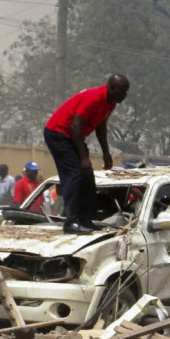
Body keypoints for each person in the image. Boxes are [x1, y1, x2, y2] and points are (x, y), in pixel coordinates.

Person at [44, 74, 130, 234]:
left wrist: (106, 153)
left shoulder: (110, 103)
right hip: (58, 133)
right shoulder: (94, 98)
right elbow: (76, 126)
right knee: (74, 174)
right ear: (111, 88)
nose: (125, 95)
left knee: (87, 175)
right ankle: (71, 222)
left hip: (72, 136)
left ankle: (85, 219)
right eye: (123, 91)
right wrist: (83, 158)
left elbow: (101, 126)